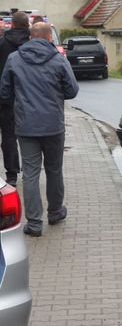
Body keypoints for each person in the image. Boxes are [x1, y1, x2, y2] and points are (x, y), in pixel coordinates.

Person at [0, 22, 79, 237]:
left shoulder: (14, 59)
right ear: (48, 38)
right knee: (54, 170)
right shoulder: (58, 59)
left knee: (30, 174)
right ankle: (55, 213)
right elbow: (72, 91)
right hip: (53, 126)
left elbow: (4, 92)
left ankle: (34, 224)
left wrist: (20, 103)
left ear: (30, 37)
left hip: (26, 126)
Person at [0, 11, 30, 186]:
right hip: (29, 98)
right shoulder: (32, 44)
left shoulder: (2, 43)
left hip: (6, 99)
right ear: (27, 26)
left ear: (12, 24)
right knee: (31, 136)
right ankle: (29, 170)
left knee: (9, 137)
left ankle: (12, 174)